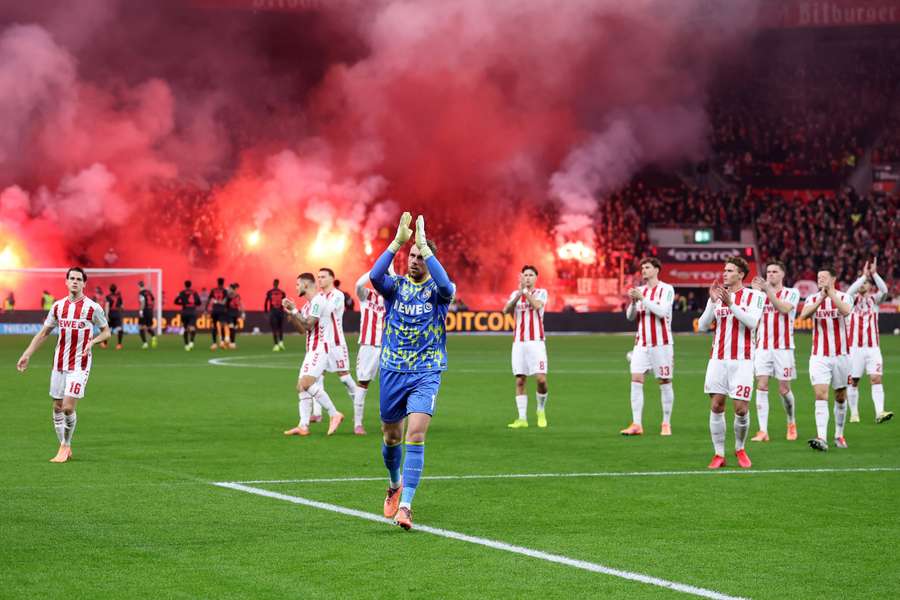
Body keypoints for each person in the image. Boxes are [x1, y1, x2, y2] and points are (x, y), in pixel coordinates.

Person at [370, 213, 455, 530]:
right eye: (413, 256)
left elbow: (446, 284)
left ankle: (406, 507)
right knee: (391, 437)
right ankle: (394, 485)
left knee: (415, 434)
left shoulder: (439, 292)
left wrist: (424, 243)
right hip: (393, 369)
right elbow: (376, 277)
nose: (415, 260)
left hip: (426, 372)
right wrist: (397, 243)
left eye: (421, 256)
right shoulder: (396, 287)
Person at [16, 268, 110, 462]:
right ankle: (64, 446)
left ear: (84, 283)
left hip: (80, 364)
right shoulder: (58, 307)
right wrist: (27, 354)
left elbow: (106, 332)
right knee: (57, 406)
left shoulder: (93, 308)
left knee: (68, 407)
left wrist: (92, 342)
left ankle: (65, 445)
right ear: (66, 282)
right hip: (59, 363)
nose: (75, 282)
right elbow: (44, 333)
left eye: (78, 279)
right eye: (72, 278)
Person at [698, 256, 764, 469]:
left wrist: (731, 304)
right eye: (724, 270)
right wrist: (711, 301)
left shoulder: (755, 296)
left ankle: (739, 448)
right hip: (718, 359)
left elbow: (752, 323)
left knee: (741, 409)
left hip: (742, 360)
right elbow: (702, 325)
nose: (724, 274)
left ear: (741, 274)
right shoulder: (718, 297)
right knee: (716, 405)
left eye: (729, 271)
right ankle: (718, 454)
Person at [799, 266, 854, 451]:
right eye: (818, 277)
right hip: (819, 356)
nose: (820, 280)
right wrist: (821, 298)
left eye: (823, 277)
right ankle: (821, 437)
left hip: (842, 355)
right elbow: (804, 315)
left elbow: (846, 311)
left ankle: (839, 434)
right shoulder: (813, 298)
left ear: (833, 279)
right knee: (820, 394)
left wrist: (831, 296)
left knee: (840, 396)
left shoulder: (844, 297)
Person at [282, 273, 344, 436]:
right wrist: (291, 313)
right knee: (301, 387)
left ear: (306, 285)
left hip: (320, 348)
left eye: (297, 284)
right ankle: (303, 426)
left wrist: (294, 310)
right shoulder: (309, 305)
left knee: (307, 383)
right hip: (311, 349)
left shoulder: (318, 300)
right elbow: (302, 329)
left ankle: (334, 413)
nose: (296, 288)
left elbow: (309, 324)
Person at [622, 257, 675, 436]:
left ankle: (666, 423)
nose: (643, 270)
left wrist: (642, 298)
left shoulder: (667, 289)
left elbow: (662, 312)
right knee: (636, 379)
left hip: (662, 344)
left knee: (665, 381)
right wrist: (633, 302)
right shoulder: (640, 291)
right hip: (641, 344)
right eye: (642, 267)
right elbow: (629, 317)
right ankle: (637, 424)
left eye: (647, 267)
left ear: (656, 270)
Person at [750, 260, 802, 442]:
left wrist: (767, 290)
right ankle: (763, 431)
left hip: (784, 349)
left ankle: (791, 422)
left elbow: (784, 308)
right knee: (761, 385)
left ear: (782, 274)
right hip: (762, 347)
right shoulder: (759, 295)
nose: (770, 274)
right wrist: (755, 292)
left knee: (784, 389)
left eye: (774, 271)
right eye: (768, 271)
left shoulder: (792, 293)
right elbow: (749, 316)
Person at [502, 265, 550, 429]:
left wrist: (525, 292)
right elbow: (506, 310)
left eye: (531, 275)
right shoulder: (515, 295)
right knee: (520, 380)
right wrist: (519, 294)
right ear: (521, 277)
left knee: (541, 379)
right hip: (519, 343)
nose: (528, 278)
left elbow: (537, 306)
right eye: (525, 275)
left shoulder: (541, 293)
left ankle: (540, 410)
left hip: (536, 342)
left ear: (536, 278)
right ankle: (522, 418)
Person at [845, 259, 893, 424]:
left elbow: (885, 290)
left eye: (866, 283)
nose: (862, 285)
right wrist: (863, 276)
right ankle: (854, 413)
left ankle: (879, 412)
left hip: (873, 349)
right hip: (854, 349)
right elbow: (849, 292)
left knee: (876, 379)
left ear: (870, 286)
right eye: (861, 283)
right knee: (854, 381)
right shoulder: (851, 301)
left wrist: (873, 274)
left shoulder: (875, 301)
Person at [317, 268, 360, 425]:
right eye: (318, 277)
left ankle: (358, 410)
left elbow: (328, 310)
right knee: (317, 376)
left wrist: (316, 306)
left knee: (345, 379)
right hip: (322, 344)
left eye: (323, 277)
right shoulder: (319, 296)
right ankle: (317, 413)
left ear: (331, 279)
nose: (319, 280)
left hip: (336, 344)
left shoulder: (338, 295)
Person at [354, 268, 389, 436]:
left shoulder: (392, 297)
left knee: (389, 385)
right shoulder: (366, 295)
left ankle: (386, 422)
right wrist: (374, 270)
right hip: (368, 345)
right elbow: (358, 283)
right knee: (363, 382)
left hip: (388, 347)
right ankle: (358, 424)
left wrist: (390, 270)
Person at [174, 280, 202, 351]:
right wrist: (193, 304)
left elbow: (176, 301)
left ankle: (186, 345)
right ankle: (191, 342)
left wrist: (183, 304)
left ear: (185, 285)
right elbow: (199, 302)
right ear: (190, 285)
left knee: (185, 329)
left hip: (185, 312)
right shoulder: (194, 292)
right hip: (192, 312)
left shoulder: (182, 292)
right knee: (192, 328)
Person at [264, 279, 287, 352]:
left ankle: (276, 345)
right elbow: (284, 303)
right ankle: (281, 343)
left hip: (273, 312)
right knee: (280, 328)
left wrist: (266, 312)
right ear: (278, 284)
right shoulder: (282, 292)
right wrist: (285, 311)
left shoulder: (270, 292)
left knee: (274, 329)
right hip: (280, 312)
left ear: (273, 284)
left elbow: (266, 302)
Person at [206, 277, 228, 350]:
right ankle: (222, 342)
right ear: (223, 283)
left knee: (214, 326)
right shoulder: (225, 291)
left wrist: (206, 309)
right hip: (222, 310)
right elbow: (226, 301)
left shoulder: (213, 290)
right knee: (222, 326)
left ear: (217, 282)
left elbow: (208, 300)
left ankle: (214, 343)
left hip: (215, 310)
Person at [137, 281, 157, 350]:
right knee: (149, 327)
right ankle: (153, 337)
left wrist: (141, 311)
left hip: (144, 310)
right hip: (150, 310)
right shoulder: (149, 292)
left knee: (141, 327)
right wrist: (151, 308)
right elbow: (153, 300)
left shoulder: (141, 293)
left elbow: (143, 302)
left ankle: (145, 343)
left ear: (139, 286)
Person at [104, 284, 125, 349]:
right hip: (117, 313)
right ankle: (119, 344)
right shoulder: (119, 297)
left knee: (107, 329)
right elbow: (122, 307)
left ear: (110, 290)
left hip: (110, 313)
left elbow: (107, 306)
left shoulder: (108, 296)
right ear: (116, 289)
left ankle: (105, 344)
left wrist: (106, 315)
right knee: (119, 329)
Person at [225, 283, 244, 349]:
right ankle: (232, 342)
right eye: (230, 289)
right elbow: (224, 304)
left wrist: (243, 313)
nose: (230, 290)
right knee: (231, 327)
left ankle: (230, 341)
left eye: (231, 289)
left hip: (236, 313)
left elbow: (240, 304)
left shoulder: (237, 296)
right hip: (229, 313)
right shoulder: (227, 296)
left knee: (234, 329)